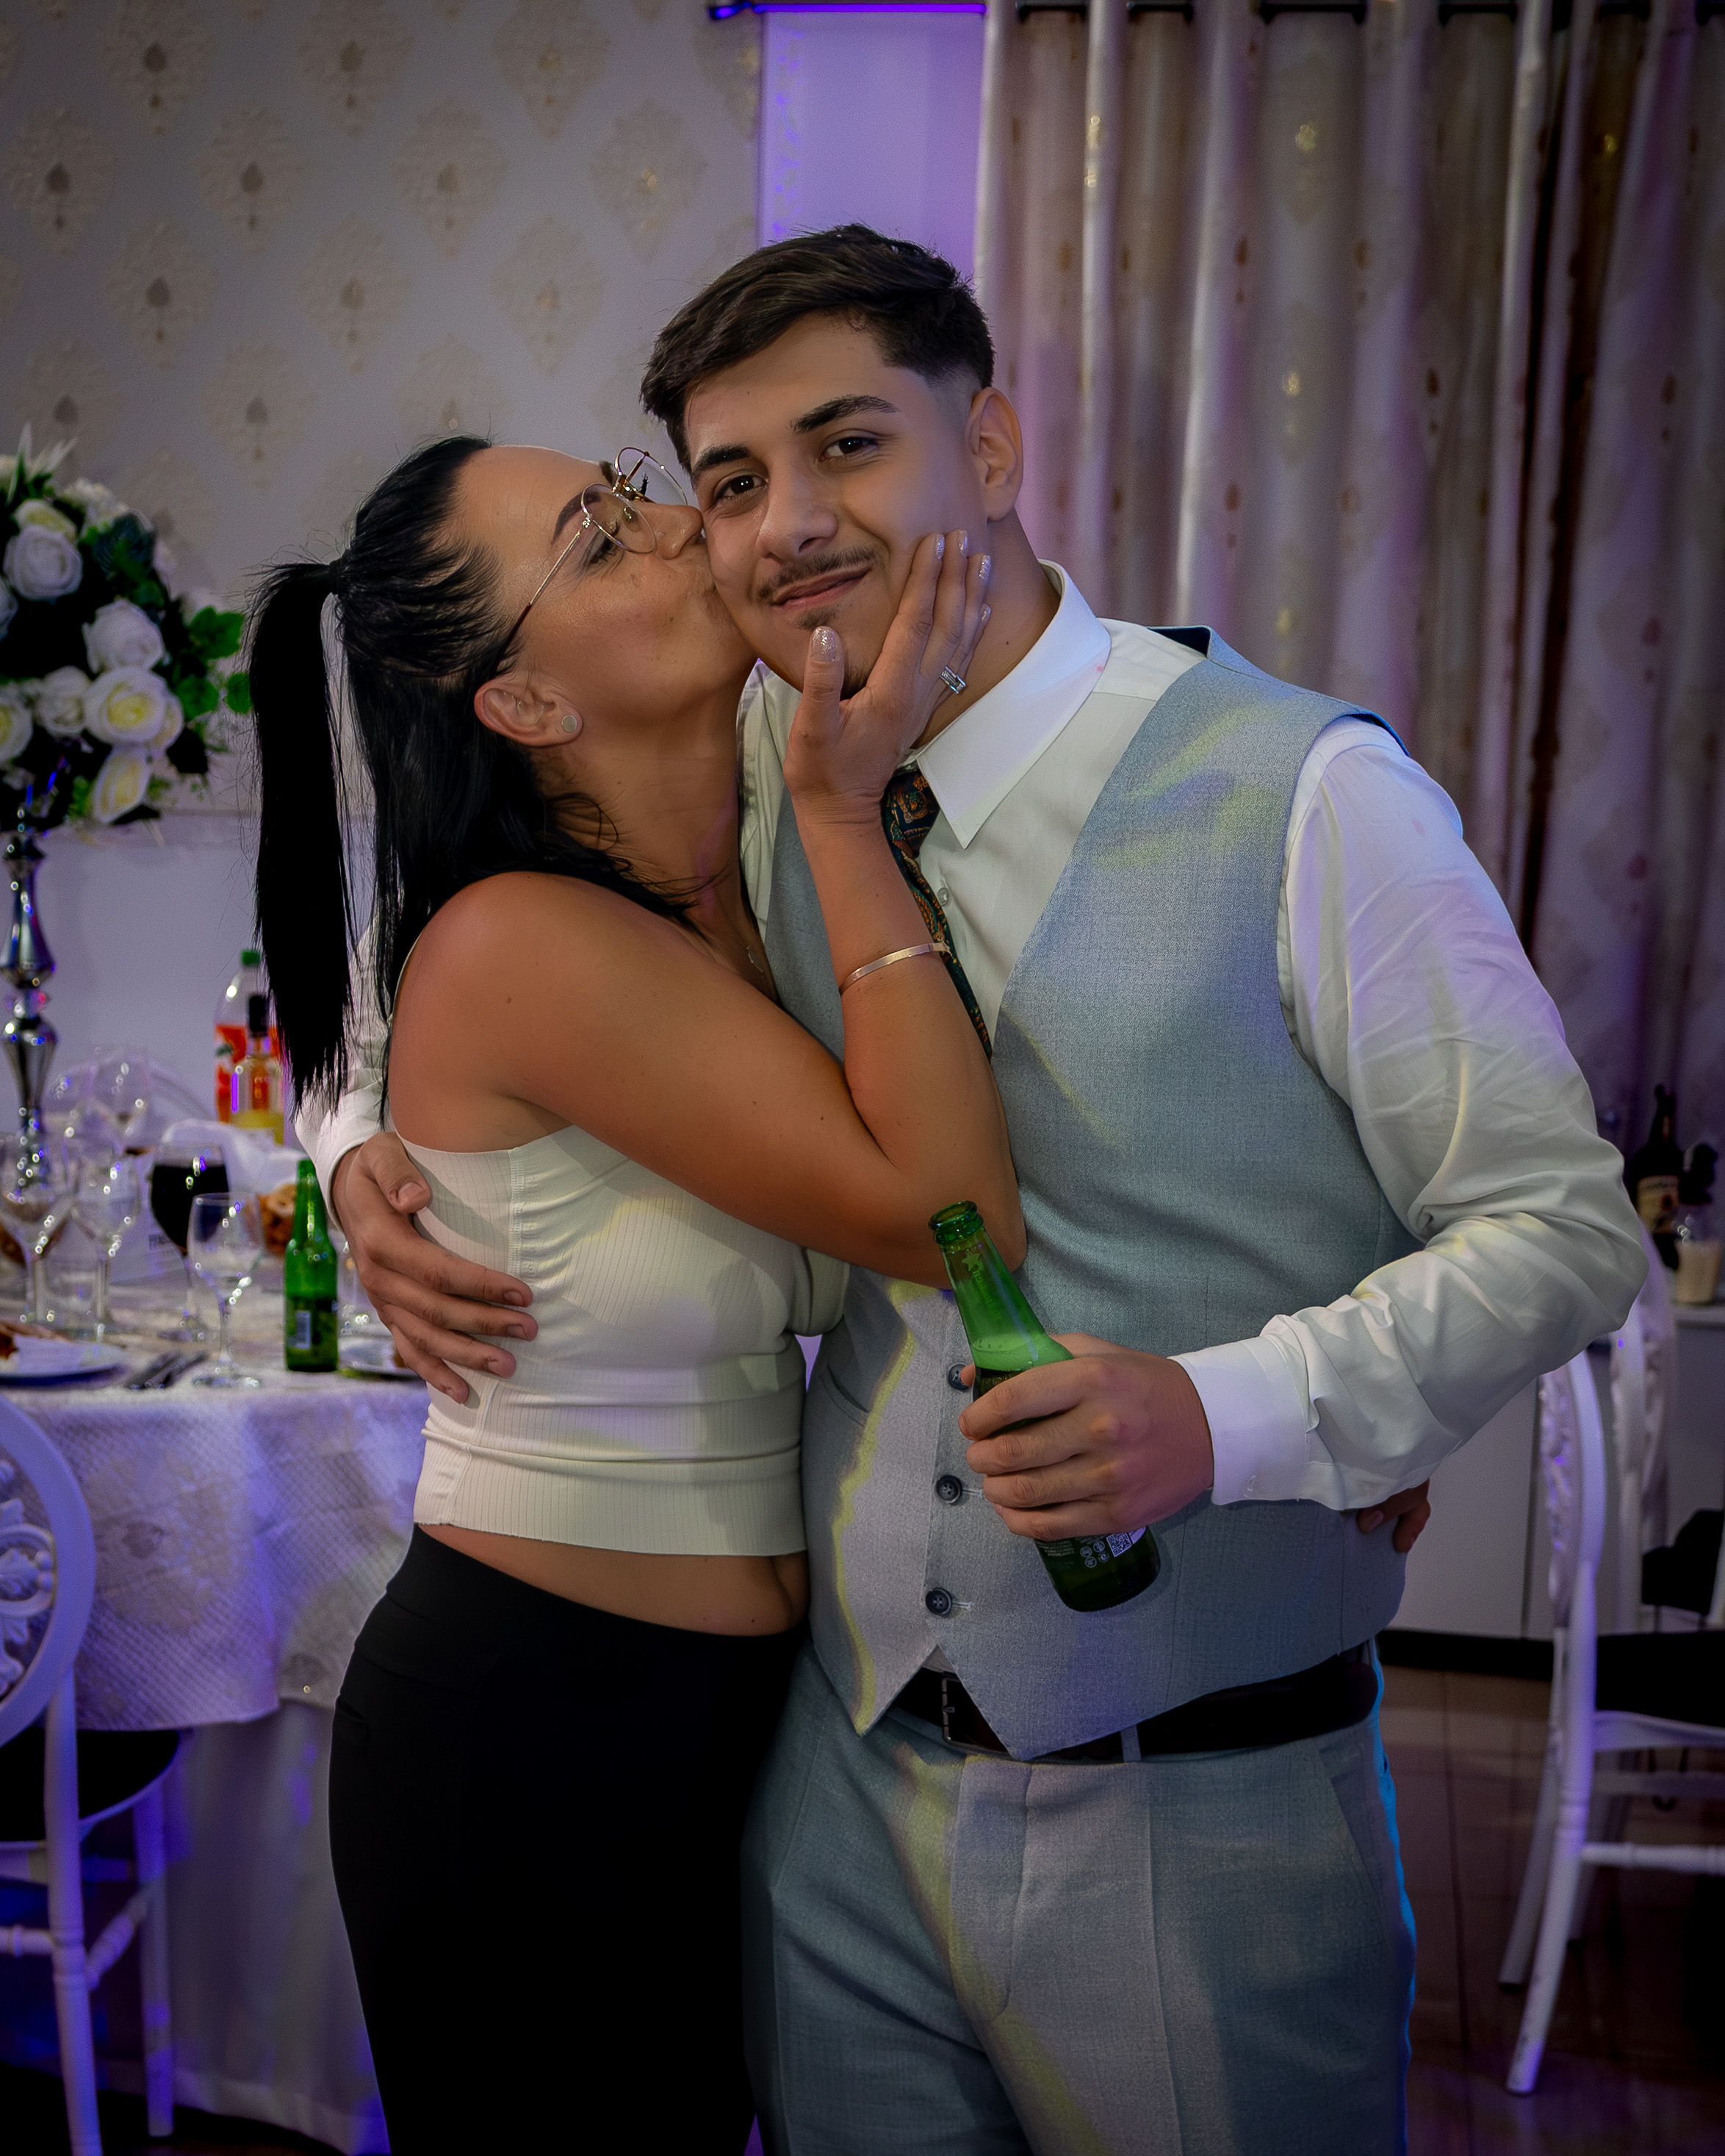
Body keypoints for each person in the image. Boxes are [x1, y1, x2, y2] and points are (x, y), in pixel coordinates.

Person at [309, 231, 1646, 2154]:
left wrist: (1238, 1412)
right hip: (826, 1790)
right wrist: (355, 1151)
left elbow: (1563, 1229)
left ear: (993, 446)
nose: (783, 526)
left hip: (1195, 1794)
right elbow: (453, 933)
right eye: (728, 480)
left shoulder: (1306, 793)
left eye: (848, 445)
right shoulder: (749, 757)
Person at [249, 430, 1004, 2152]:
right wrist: (353, 1150)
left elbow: (360, 1021)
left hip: (741, 1715)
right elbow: (945, 1212)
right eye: (599, 539)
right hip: (534, 1722)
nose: (682, 524)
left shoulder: (748, 846)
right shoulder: (536, 935)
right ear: (522, 704)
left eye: (623, 482)